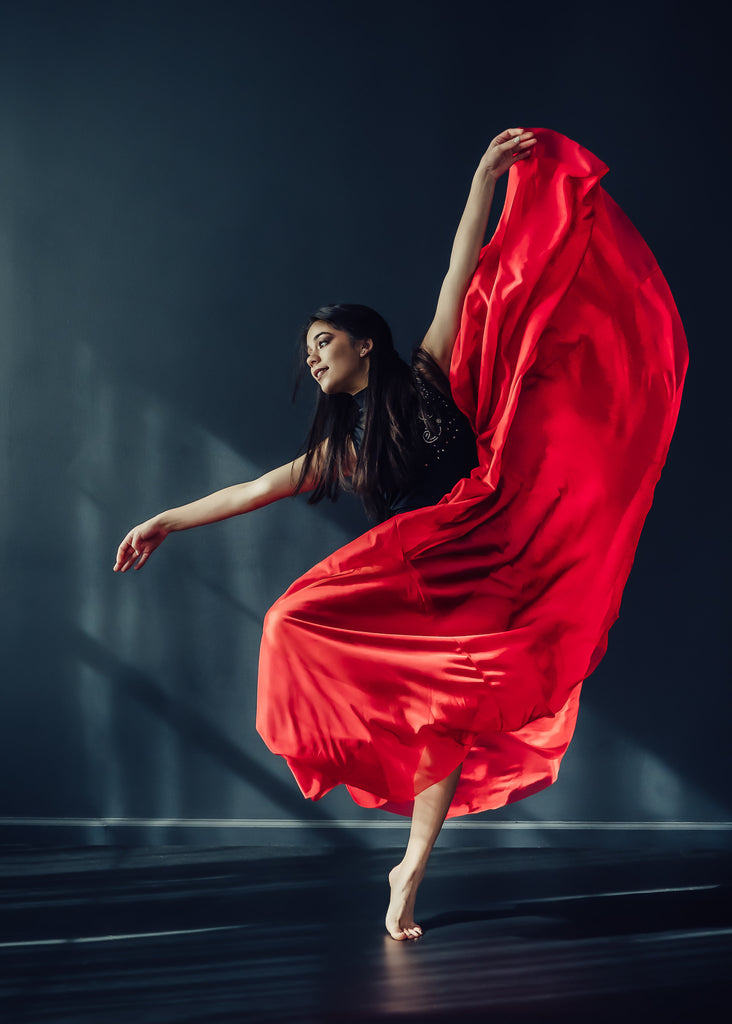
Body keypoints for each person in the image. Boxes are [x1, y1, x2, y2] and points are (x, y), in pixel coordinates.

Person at [115, 128, 687, 941]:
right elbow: (257, 487)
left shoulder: (425, 373)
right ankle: (411, 867)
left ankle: (410, 866)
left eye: (324, 344)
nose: (314, 360)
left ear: (364, 341)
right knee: (299, 630)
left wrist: (485, 178)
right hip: (418, 584)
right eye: (309, 352)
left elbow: (464, 269)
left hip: (487, 558)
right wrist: (162, 520)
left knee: (449, 719)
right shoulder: (343, 449)